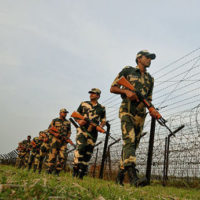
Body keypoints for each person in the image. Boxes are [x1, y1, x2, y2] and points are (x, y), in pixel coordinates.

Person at [110, 50, 159, 186]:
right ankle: (133, 179)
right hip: (127, 110)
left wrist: (152, 109)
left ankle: (119, 177)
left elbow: (148, 99)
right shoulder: (128, 70)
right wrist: (125, 91)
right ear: (139, 59)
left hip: (140, 115)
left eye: (151, 58)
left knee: (131, 146)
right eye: (147, 57)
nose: (149, 60)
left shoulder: (150, 79)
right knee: (129, 140)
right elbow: (113, 88)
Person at [72, 88, 106, 179]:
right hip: (82, 130)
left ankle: (81, 173)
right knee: (81, 147)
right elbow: (75, 114)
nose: (91, 94)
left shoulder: (102, 108)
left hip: (93, 133)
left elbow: (103, 120)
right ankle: (75, 168)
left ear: (98, 96)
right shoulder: (83, 104)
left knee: (88, 152)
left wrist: (101, 127)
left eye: (93, 93)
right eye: (91, 93)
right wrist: (79, 121)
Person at [47, 108, 72, 175]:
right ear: (60, 113)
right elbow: (49, 129)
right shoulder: (55, 120)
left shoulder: (68, 122)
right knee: (52, 156)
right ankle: (49, 171)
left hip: (63, 142)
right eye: (64, 112)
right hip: (55, 141)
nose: (65, 114)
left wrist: (67, 138)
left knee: (63, 156)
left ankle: (57, 172)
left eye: (66, 113)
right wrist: (55, 134)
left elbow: (69, 132)